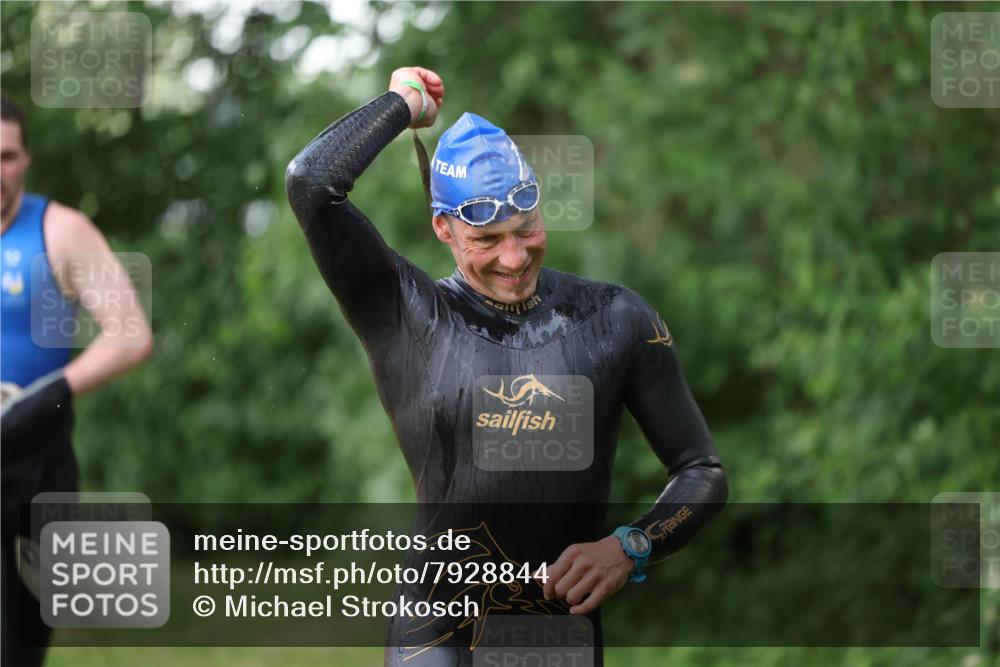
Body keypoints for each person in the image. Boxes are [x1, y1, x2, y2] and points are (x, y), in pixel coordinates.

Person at [286, 67, 727, 666]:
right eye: (487, 239)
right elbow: (311, 182)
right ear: (443, 227)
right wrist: (401, 105)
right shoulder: (407, 314)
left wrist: (632, 546)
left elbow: (701, 471)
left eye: (526, 230)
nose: (514, 257)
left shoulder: (614, 318)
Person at [0, 93, 153, 667]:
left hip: (36, 466)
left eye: (8, 156)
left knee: (19, 647)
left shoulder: (60, 231)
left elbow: (131, 334)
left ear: (26, 159)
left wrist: (37, 398)